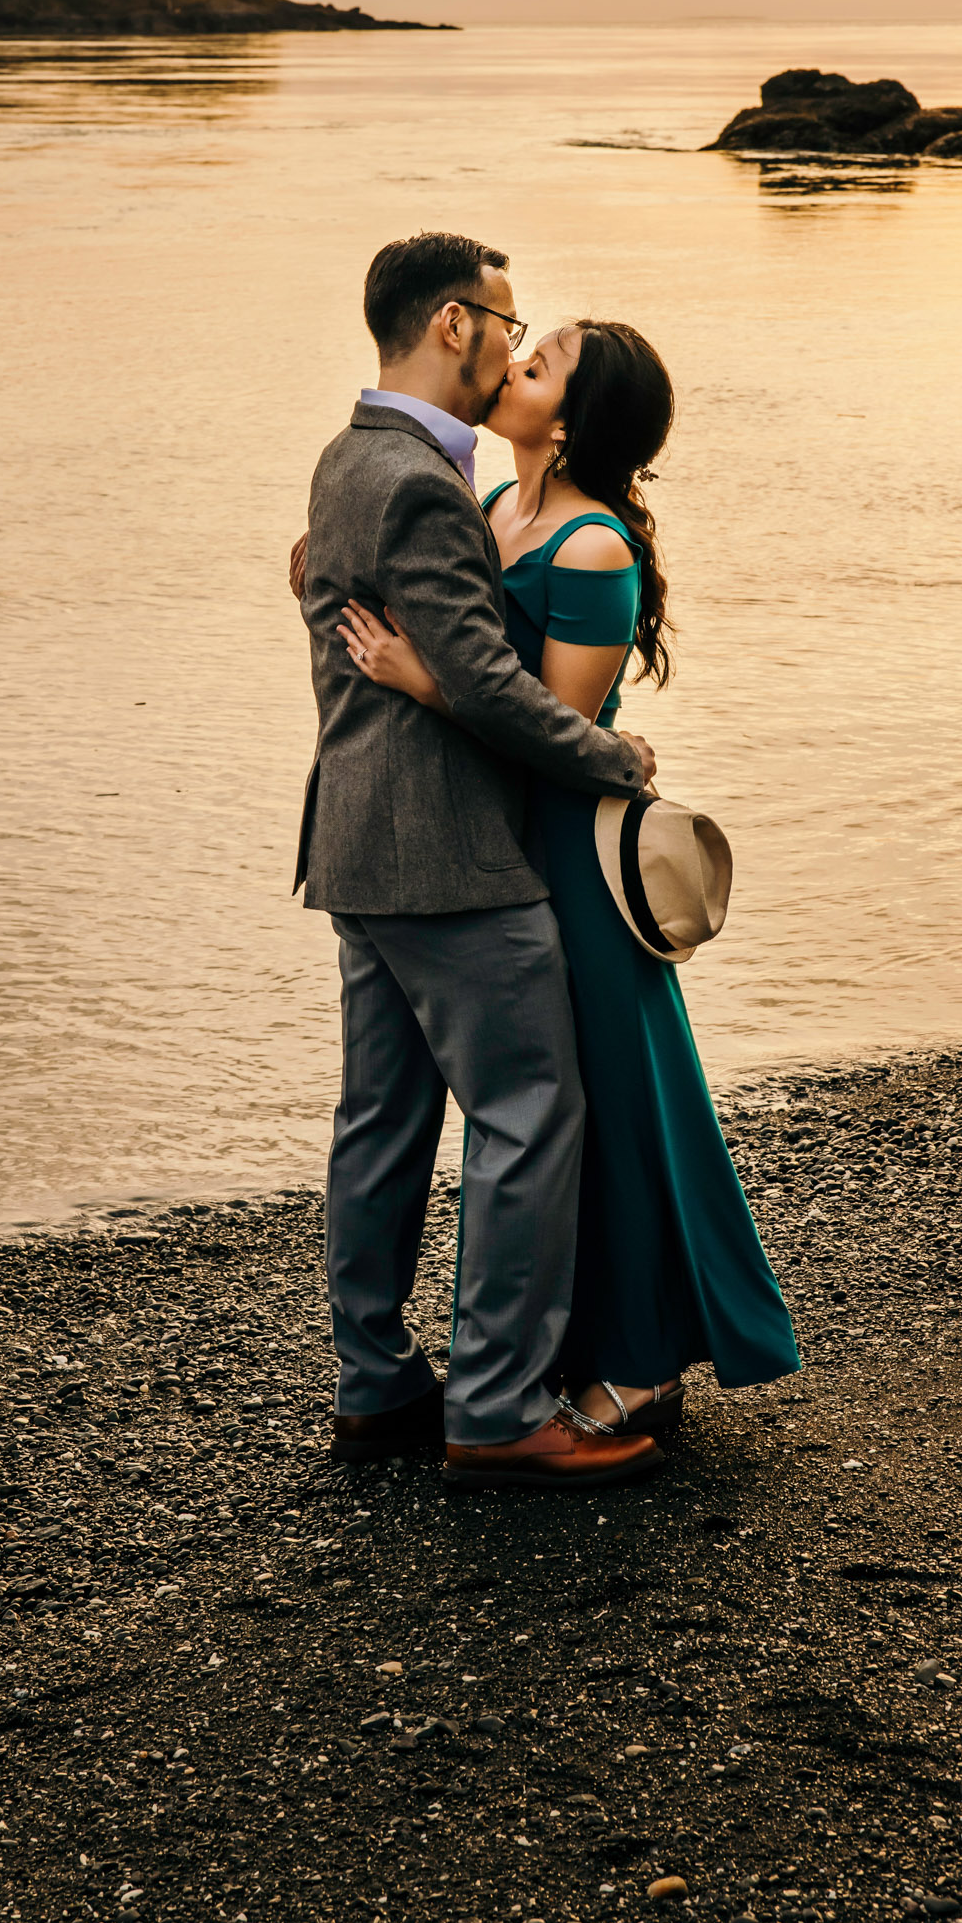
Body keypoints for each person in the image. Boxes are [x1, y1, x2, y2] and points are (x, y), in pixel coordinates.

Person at [339, 316, 801, 1434]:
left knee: (614, 1107)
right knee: (550, 1119)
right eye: (522, 350)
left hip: (573, 862)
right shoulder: (494, 508)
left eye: (538, 367)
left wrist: (418, 683)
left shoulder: (592, 547)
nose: (512, 367)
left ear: (573, 420)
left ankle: (640, 1363)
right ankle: (544, 1352)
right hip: (492, 846)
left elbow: (553, 723)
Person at [295, 233, 666, 1490]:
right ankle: (498, 1407)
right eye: (507, 323)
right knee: (525, 1114)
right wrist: (616, 760)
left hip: (354, 845)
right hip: (447, 851)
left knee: (383, 1124)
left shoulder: (348, 458)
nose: (513, 343)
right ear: (452, 324)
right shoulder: (420, 482)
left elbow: (346, 619)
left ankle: (375, 1385)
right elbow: (488, 687)